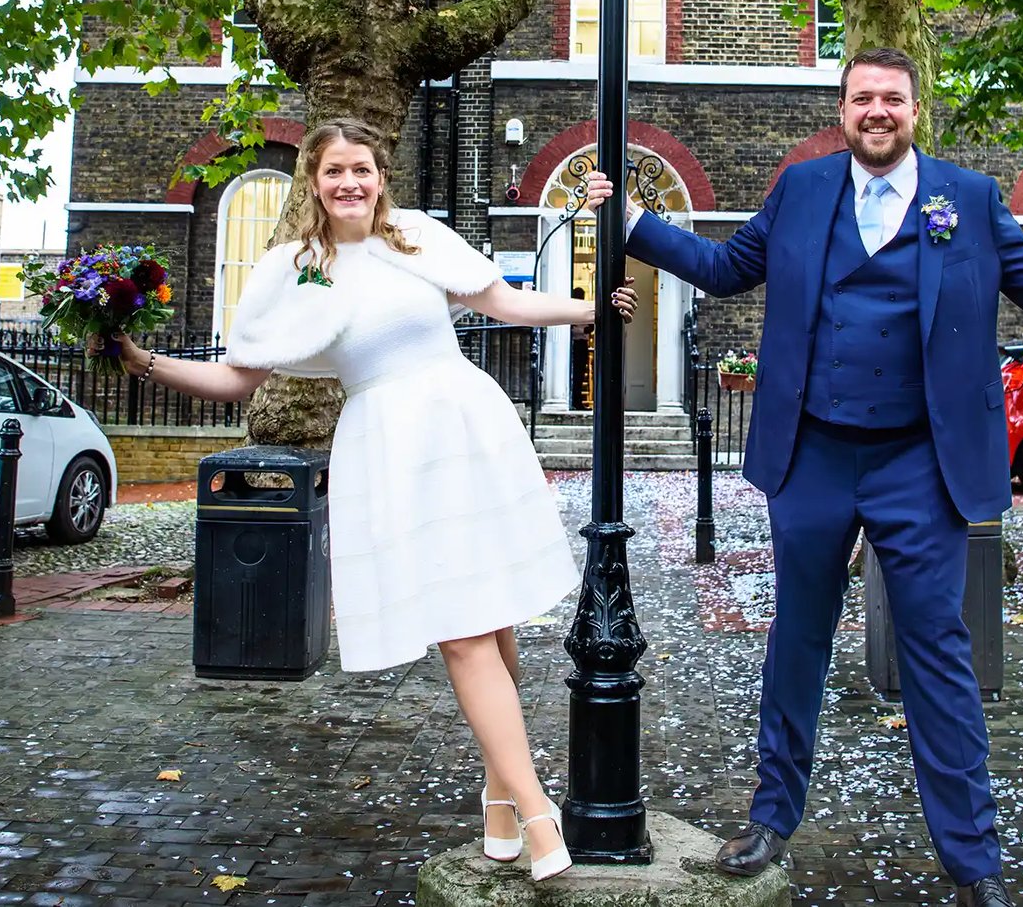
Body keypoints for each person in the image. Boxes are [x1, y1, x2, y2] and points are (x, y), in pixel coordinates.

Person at [585, 48, 1023, 905]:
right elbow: (727, 268)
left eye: (892, 97)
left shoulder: (969, 200)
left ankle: (975, 863)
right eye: (862, 98)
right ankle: (772, 817)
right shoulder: (803, 189)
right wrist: (632, 224)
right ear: (842, 110)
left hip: (919, 465)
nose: (876, 110)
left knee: (939, 656)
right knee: (797, 640)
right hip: (813, 457)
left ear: (914, 109)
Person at [101, 118, 636, 883]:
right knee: (461, 630)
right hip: (386, 443)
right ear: (312, 182)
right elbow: (236, 378)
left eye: (362, 169)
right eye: (333, 172)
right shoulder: (292, 267)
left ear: (381, 175)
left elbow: (504, 305)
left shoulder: (417, 236)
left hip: (461, 421)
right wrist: (143, 360)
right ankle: (538, 805)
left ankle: (499, 795)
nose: (349, 183)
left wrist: (588, 310)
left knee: (489, 615)